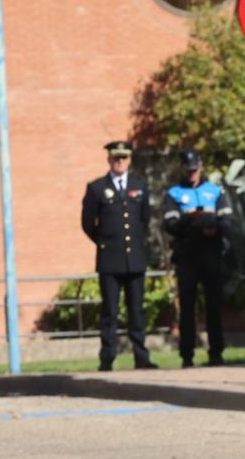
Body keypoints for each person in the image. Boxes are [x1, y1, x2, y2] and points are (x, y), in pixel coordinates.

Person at [80, 140, 154, 372]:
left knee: (137, 311)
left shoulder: (139, 185)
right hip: (110, 259)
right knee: (110, 312)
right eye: (116, 158)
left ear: (129, 159)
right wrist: (105, 243)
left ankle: (141, 356)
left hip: (135, 260)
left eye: (124, 158)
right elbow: (87, 223)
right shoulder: (96, 188)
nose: (120, 162)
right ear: (109, 159)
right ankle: (107, 358)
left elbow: (144, 220)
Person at [164, 147, 233, 369]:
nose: (192, 173)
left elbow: (228, 221)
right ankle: (187, 355)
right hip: (187, 256)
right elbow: (171, 225)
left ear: (201, 167)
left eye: (195, 169)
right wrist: (198, 219)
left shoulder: (215, 190)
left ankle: (217, 353)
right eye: (188, 170)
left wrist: (210, 225)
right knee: (187, 306)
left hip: (211, 253)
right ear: (183, 169)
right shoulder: (173, 193)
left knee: (214, 305)